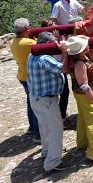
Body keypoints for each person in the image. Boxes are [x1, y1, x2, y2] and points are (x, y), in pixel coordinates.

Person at [27, 32, 69, 172]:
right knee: (56, 130)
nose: (55, 45)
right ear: (46, 44)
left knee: (45, 128)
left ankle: (46, 152)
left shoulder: (33, 54)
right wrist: (64, 52)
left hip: (37, 98)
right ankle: (53, 162)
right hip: (47, 100)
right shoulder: (44, 58)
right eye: (53, 42)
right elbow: (62, 68)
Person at [66, 35, 93, 164]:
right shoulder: (80, 64)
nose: (88, 45)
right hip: (87, 95)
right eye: (85, 45)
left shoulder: (79, 58)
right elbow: (84, 86)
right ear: (81, 50)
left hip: (81, 95)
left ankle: (82, 143)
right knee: (91, 122)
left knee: (82, 117)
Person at [10, 18, 40, 143]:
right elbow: (42, 45)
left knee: (30, 101)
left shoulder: (13, 42)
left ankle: (32, 127)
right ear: (27, 29)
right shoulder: (29, 43)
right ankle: (38, 134)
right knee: (37, 104)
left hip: (21, 75)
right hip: (30, 76)